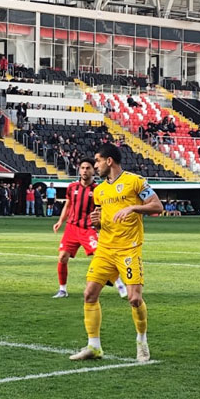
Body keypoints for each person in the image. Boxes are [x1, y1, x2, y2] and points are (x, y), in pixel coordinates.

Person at [70, 144, 163, 363]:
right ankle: (94, 346)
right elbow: (105, 220)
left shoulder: (135, 181)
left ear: (109, 161)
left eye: (98, 161)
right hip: (105, 249)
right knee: (89, 294)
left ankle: (142, 341)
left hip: (128, 249)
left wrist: (133, 208)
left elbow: (157, 206)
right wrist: (98, 222)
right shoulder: (100, 190)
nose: (95, 166)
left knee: (134, 298)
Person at [52, 158, 127, 300]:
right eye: (83, 168)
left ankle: (120, 284)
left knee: (102, 256)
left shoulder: (99, 189)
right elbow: (68, 205)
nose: (85, 170)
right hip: (72, 228)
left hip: (88, 229)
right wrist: (60, 221)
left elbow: (104, 209)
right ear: (79, 170)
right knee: (62, 257)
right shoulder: (72, 187)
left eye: (88, 168)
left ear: (93, 170)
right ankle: (62, 290)